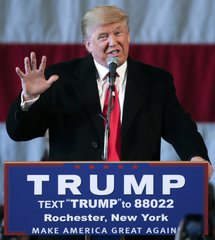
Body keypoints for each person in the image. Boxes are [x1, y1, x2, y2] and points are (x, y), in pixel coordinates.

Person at [6, 5, 214, 240]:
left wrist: (196, 157)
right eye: (103, 36)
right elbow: (20, 131)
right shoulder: (59, 79)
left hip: (136, 211)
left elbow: (180, 126)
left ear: (128, 36)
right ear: (87, 44)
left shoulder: (156, 81)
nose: (113, 42)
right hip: (73, 214)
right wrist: (30, 98)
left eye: (118, 32)